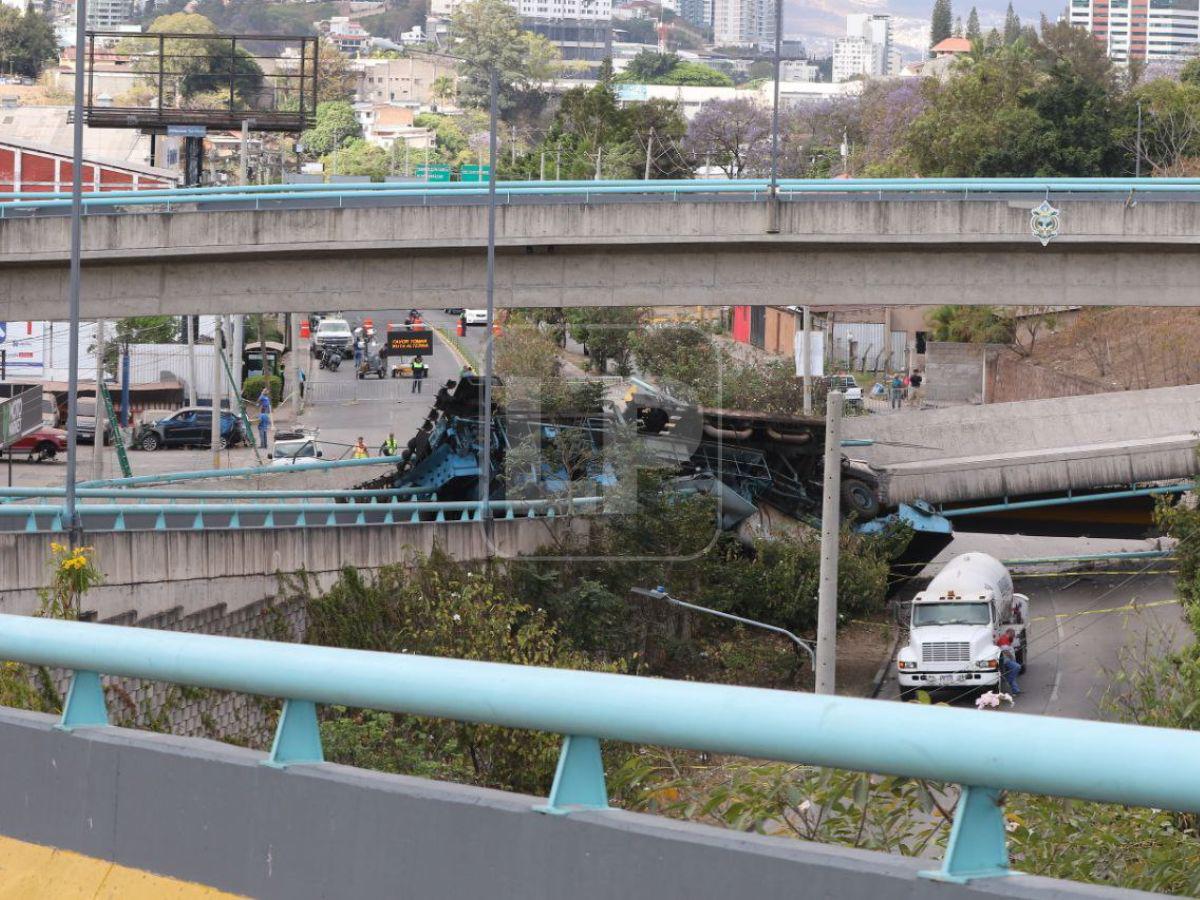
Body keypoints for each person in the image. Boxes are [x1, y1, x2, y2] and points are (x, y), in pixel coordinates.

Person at [996, 629, 1021, 695]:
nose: (1013, 636)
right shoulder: (1004, 639)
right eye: (1013, 634)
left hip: (1007, 660)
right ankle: (1008, 681)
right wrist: (1012, 658)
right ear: (1009, 633)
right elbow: (1005, 651)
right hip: (1006, 660)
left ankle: (1016, 690)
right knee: (1017, 667)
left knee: (1013, 673)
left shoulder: (1007, 639)